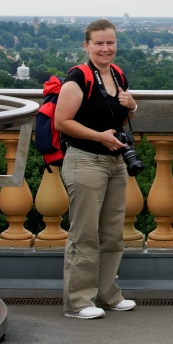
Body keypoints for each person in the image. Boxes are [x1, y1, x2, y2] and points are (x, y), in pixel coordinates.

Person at [56, 19, 138, 319]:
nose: (106, 48)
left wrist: (130, 107)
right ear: (86, 45)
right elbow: (62, 122)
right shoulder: (78, 78)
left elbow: (119, 121)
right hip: (85, 161)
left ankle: (107, 294)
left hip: (114, 162)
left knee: (112, 233)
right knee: (85, 234)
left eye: (111, 42)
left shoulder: (117, 75)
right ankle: (78, 301)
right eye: (99, 43)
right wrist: (98, 137)